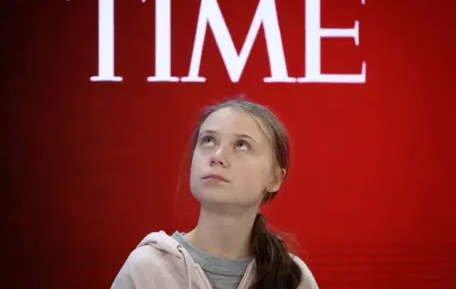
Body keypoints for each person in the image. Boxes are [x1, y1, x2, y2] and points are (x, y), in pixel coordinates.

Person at [111, 99, 319, 289]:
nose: (216, 157)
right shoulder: (147, 269)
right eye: (208, 140)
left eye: (241, 145)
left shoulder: (293, 278)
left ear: (274, 179)